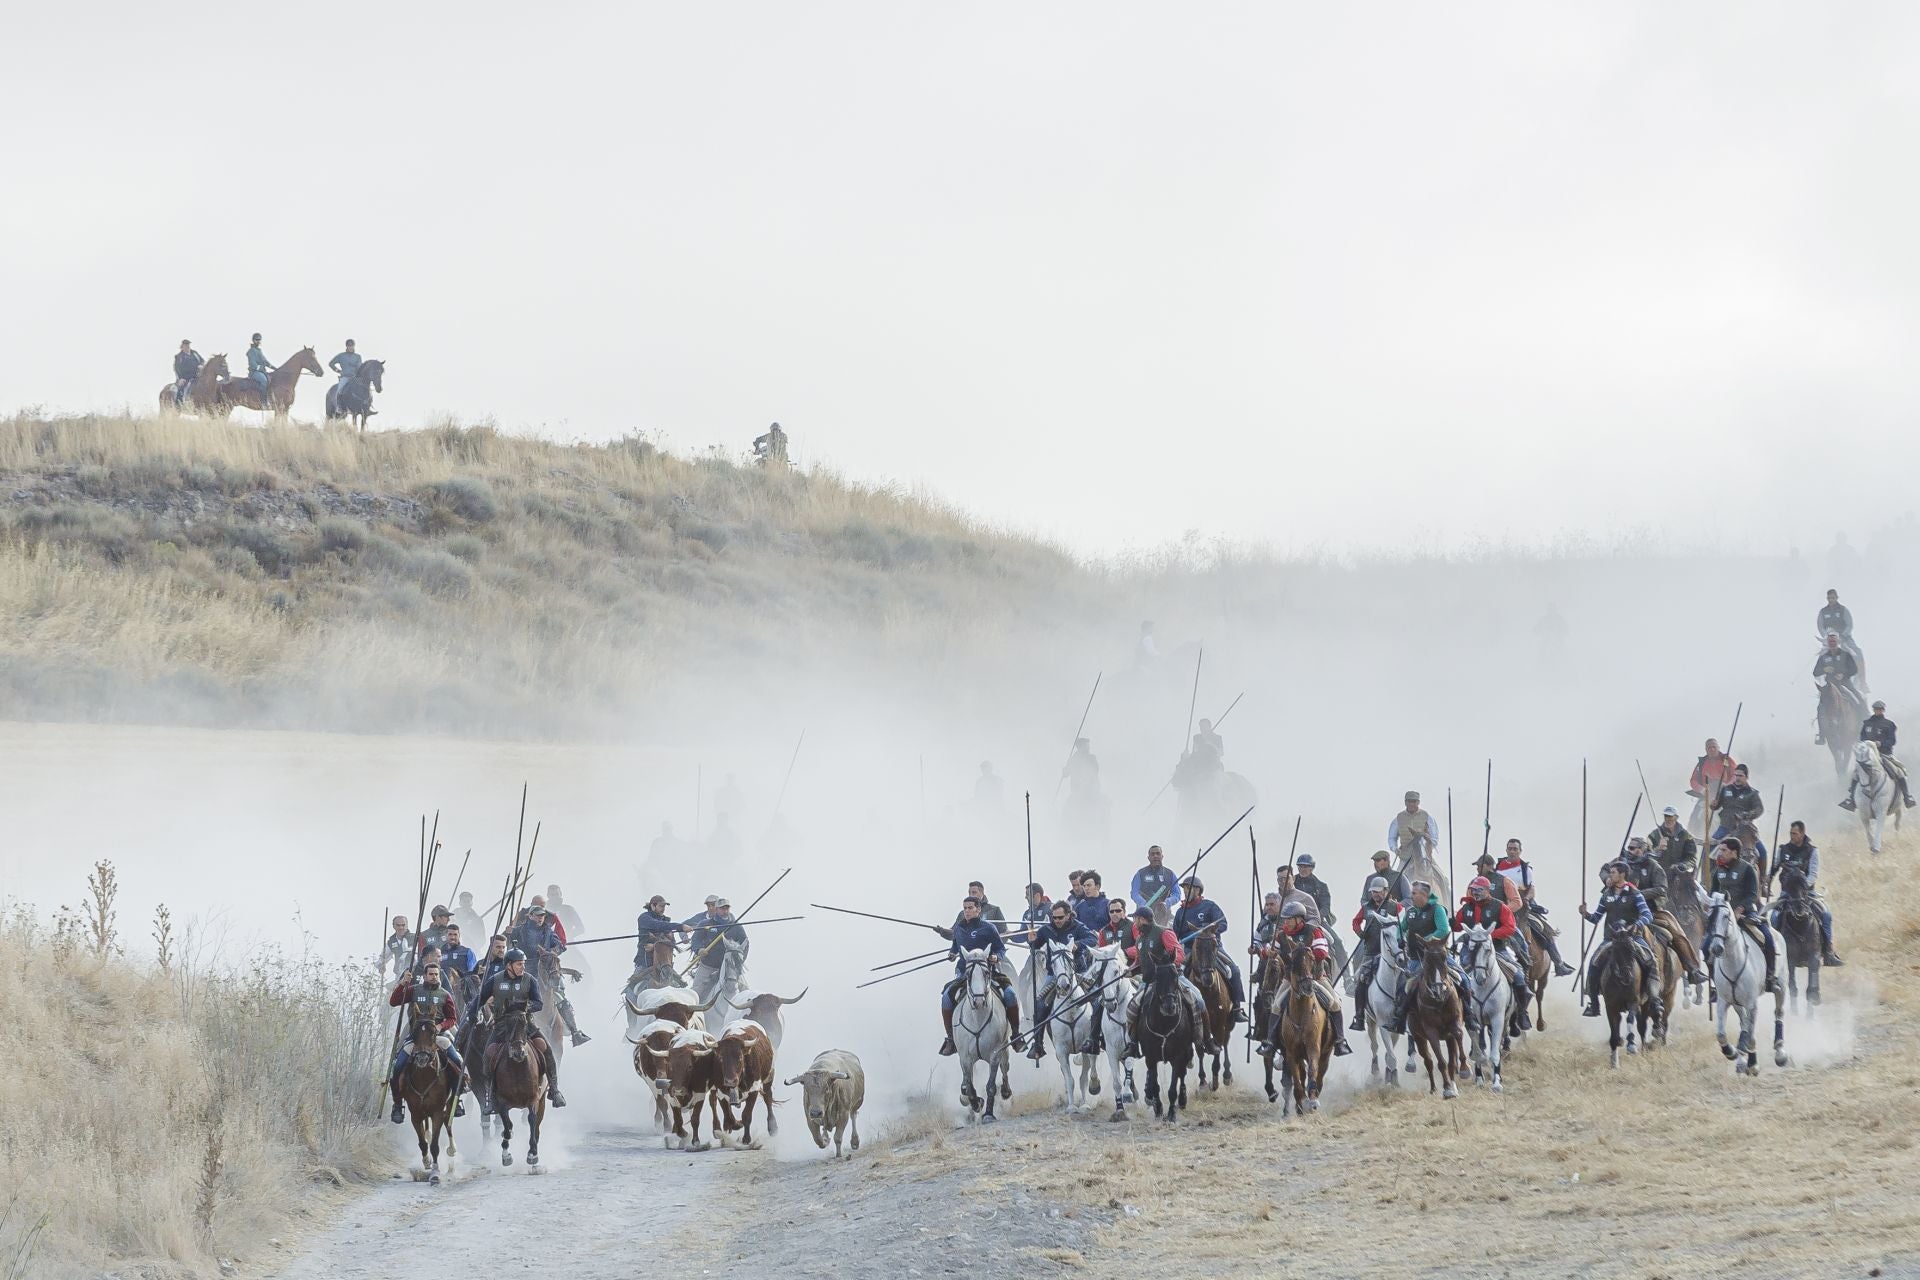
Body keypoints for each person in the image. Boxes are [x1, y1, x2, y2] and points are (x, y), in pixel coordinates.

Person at [466, 949, 566, 1107]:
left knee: (546, 1049)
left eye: (524, 964)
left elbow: (538, 1003)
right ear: (509, 965)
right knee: (487, 1055)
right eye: (519, 964)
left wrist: (524, 1007)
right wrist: (472, 1015)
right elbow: (479, 999)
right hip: (501, 1026)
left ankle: (554, 1090)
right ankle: (490, 1096)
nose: (523, 967)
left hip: (524, 1024)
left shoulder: (529, 980)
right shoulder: (495, 980)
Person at [1250, 902, 1353, 1057]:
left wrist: (1304, 953)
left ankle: (1340, 1041)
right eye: (1284, 919)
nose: (1286, 922)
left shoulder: (1314, 931)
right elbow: (1269, 952)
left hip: (1316, 977)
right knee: (1276, 1005)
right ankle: (1270, 1043)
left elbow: (1322, 952)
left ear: (1299, 919)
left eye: (1289, 919)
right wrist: (1266, 952)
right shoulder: (1281, 934)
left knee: (1334, 1003)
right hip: (1290, 978)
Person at [1121, 907, 1212, 1056]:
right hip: (1148, 982)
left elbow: (1180, 955)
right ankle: (1133, 1044)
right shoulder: (1139, 940)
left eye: (1135, 919)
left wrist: (1165, 966)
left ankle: (1206, 1040)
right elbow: (1138, 963)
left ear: (1142, 919)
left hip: (1172, 979)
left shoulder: (1165, 933)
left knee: (1198, 1001)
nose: (1134, 922)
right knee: (1131, 1008)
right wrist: (1128, 971)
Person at [937, 897, 1023, 1056]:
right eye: (965, 908)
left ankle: (1016, 1035)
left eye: (970, 908)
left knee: (1010, 994)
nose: (967, 911)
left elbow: (1000, 949)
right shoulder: (959, 929)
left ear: (978, 910)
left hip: (988, 972)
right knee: (946, 998)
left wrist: (996, 957)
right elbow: (955, 947)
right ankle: (951, 1039)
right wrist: (952, 954)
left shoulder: (989, 928)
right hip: (964, 973)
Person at [1579, 862, 1664, 1022]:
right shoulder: (1607, 894)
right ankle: (1594, 1003)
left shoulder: (1635, 893)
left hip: (1633, 938)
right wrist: (1585, 914)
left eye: (1613, 872)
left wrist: (1636, 925)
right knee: (1593, 963)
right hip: (1611, 939)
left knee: (1651, 961)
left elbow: (1647, 915)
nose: (1610, 876)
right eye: (1610, 872)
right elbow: (1596, 918)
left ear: (1623, 874)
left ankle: (1654, 999)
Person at [387, 958, 468, 1122]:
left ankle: (456, 1098)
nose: (434, 977)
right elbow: (394, 1001)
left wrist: (441, 1026)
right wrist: (403, 984)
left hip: (438, 1036)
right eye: (430, 974)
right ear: (424, 976)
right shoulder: (413, 990)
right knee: (398, 1066)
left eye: (436, 974)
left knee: (458, 1061)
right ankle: (397, 1105)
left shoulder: (445, 995)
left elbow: (452, 1018)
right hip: (416, 1036)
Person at [1618, 838, 1708, 985]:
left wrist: (1639, 894)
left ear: (1643, 850)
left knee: (1677, 933)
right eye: (1630, 848)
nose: (1632, 851)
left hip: (1651, 911)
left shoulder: (1653, 866)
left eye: (1635, 848)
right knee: (1607, 943)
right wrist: (1608, 878)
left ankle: (1692, 969)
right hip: (1625, 912)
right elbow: (1606, 871)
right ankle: (1593, 987)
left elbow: (1661, 888)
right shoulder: (1623, 865)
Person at [1451, 877, 1533, 1031]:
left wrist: (1489, 935)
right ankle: (1462, 1013)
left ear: (1488, 890)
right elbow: (1457, 927)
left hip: (1496, 949)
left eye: (1479, 890)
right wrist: (1452, 923)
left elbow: (1510, 927)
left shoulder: (1499, 907)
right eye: (1474, 890)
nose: (1476, 893)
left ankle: (1521, 1013)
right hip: (1470, 951)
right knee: (1456, 978)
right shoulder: (1467, 907)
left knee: (1519, 976)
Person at [1024, 900, 1099, 1058]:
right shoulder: (1047, 929)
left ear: (1069, 915)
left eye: (1060, 917)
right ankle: (1037, 1044)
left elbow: (1093, 939)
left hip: (1079, 972)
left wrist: (1077, 945)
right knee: (1040, 1005)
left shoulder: (1078, 927)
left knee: (1097, 1000)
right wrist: (1031, 940)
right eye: (1054, 917)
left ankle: (1097, 1038)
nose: (1056, 920)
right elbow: (1036, 945)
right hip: (1054, 975)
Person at [1492, 838, 1577, 977]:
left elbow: (1531, 888)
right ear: (1506, 850)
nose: (1512, 851)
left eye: (1515, 849)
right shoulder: (1499, 868)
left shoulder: (1525, 869)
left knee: (1544, 929)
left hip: (1523, 907)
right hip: (1503, 906)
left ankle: (1558, 963)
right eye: (1510, 848)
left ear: (1520, 851)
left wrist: (1526, 899)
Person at [510, 902, 589, 1046]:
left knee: (560, 997)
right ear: (531, 916)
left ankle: (575, 1032)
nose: (540, 918)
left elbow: (560, 946)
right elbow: (509, 946)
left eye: (542, 916)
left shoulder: (548, 932)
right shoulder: (519, 931)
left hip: (546, 971)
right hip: (523, 970)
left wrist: (552, 953)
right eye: (538, 916)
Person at [1708, 837, 1779, 994]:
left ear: (1734, 852)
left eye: (1724, 850)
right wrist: (1710, 904)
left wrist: (1739, 909)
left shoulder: (1747, 869)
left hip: (1745, 913)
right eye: (1720, 850)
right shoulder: (1717, 870)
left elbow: (1752, 894)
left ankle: (1770, 977)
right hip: (1723, 916)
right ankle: (1716, 984)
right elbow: (1712, 892)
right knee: (1707, 945)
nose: (1720, 853)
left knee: (1767, 937)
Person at [1384, 882, 1456, 1035]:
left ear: (1424, 895)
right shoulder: (1410, 912)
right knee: (1402, 985)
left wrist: (1425, 940)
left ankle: (1469, 1015)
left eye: (1414, 893)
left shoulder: (1437, 910)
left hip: (1437, 957)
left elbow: (1443, 930)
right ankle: (1399, 1019)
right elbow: (1402, 928)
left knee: (1462, 979)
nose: (1411, 896)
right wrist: (1399, 938)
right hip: (1415, 959)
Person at [1171, 877, 1246, 1024]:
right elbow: (1176, 934)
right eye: (1184, 888)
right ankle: (1176, 1008)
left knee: (1234, 970)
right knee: (1176, 974)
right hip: (1191, 947)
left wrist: (1210, 927)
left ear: (1198, 890)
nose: (1185, 891)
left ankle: (1237, 1008)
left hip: (1212, 946)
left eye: (1188, 888)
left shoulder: (1210, 906)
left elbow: (1223, 923)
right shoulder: (1181, 912)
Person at [1771, 822, 1842, 965]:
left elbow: (1813, 875)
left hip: (1807, 893)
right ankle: (1774, 951)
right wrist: (1768, 878)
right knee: (1774, 917)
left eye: (1795, 834)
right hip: (1787, 893)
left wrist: (1802, 887)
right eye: (1791, 833)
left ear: (1802, 834)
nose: (1792, 836)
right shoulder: (1783, 850)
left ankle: (1828, 951)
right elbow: (1775, 866)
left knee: (1826, 915)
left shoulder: (1812, 851)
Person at [1347, 878, 1404, 1031]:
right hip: (1371, 951)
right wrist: (1360, 933)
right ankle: (1359, 1017)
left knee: (1406, 978)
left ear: (1386, 891)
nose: (1375, 895)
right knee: (1360, 980)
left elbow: (1403, 921)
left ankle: (1404, 1013)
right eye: (1373, 892)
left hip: (1391, 952)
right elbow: (1355, 921)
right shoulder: (1366, 907)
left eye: (1378, 892)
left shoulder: (1395, 907)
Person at [1846, 700, 1916, 810]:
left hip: (1885, 754)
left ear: (1883, 710)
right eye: (1876, 709)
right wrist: (1865, 744)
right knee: (1856, 773)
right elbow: (1862, 737)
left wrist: (1881, 744)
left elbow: (1892, 740)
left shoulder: (1889, 724)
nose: (1878, 711)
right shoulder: (1867, 723)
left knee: (1899, 771)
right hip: (1869, 756)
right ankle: (1850, 799)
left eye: (1880, 709)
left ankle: (1907, 797)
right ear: (1873, 710)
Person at [1710, 763, 1768, 868]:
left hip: (1744, 829)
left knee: (1762, 851)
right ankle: (1706, 878)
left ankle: (1763, 881)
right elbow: (1717, 805)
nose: (1737, 778)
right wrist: (1713, 805)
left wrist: (1747, 815)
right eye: (1736, 775)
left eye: (1740, 776)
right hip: (1725, 827)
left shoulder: (1752, 793)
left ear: (1747, 777)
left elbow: (1759, 809)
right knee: (1709, 846)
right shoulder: (1726, 789)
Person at [1813, 633, 1863, 744]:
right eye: (1830, 642)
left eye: (1834, 642)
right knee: (1820, 708)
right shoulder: (1824, 657)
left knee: (1860, 701)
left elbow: (1854, 669)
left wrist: (1843, 674)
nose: (1832, 644)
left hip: (1845, 683)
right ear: (1827, 643)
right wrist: (1825, 669)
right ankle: (1821, 735)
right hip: (1830, 686)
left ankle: (1861, 729)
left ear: (1838, 642)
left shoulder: (1846, 655)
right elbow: (1815, 672)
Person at [1387, 791, 1439, 873]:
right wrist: (1395, 848)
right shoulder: (1398, 818)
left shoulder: (1427, 817)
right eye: (1409, 801)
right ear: (1405, 802)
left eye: (1414, 801)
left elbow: (1434, 838)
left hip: (1424, 857)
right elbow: (1392, 838)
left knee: (1445, 880)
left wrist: (1427, 848)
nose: (1411, 804)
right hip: (1405, 858)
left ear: (1418, 802)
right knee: (1396, 882)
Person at [631, 895, 686, 971]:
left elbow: (672, 943)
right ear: (653, 906)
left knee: (679, 982)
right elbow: (658, 925)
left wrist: (654, 946)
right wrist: (681, 927)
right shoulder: (644, 918)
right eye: (661, 906)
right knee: (635, 982)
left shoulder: (665, 921)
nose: (663, 909)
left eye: (664, 906)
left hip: (664, 964)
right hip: (645, 962)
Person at [1130, 846, 1182, 922]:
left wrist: (1167, 902)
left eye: (1158, 853)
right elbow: (1134, 893)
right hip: (1144, 915)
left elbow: (1177, 894)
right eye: (1152, 854)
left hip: (1163, 915)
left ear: (1162, 856)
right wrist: (1143, 903)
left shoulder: (1170, 874)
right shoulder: (1140, 873)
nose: (1155, 856)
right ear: (1148, 857)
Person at [1817, 589, 1863, 676]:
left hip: (1844, 638)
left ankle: (1862, 682)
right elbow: (1820, 626)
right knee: (1822, 656)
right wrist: (1826, 636)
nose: (1831, 600)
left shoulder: (1843, 610)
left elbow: (1849, 625)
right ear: (1827, 598)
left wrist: (1842, 636)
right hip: (1829, 639)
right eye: (1829, 598)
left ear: (1837, 598)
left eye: (1833, 598)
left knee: (1858, 652)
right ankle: (1822, 681)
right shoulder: (1823, 612)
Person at [1646, 806, 1698, 874]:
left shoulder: (1686, 836)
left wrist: (1682, 866)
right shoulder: (1654, 835)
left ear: (1676, 817)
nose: (1668, 819)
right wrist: (1658, 848)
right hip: (1657, 872)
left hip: (1678, 875)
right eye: (1666, 816)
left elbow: (1691, 858)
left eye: (1670, 816)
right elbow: (1646, 855)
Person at [379, 915, 415, 981]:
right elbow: (383, 957)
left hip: (414, 974)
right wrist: (381, 965)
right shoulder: (391, 941)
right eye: (398, 925)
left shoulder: (415, 938)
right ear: (394, 926)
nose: (401, 927)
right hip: (399, 975)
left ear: (407, 925)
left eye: (403, 925)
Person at [172, 339, 204, 406]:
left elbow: (202, 360)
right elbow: (177, 368)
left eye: (188, 345)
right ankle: (178, 406)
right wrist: (180, 379)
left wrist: (201, 365)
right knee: (182, 388)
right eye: (185, 345)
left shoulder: (194, 353)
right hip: (185, 377)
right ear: (182, 346)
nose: (187, 347)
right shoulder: (179, 356)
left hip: (197, 375)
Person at [244, 333, 275, 399]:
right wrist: (261, 367)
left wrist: (273, 367)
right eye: (256, 340)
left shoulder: (259, 351)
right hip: (254, 372)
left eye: (259, 340)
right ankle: (263, 402)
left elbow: (265, 361)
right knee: (264, 381)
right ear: (253, 340)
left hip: (261, 372)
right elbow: (253, 364)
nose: (258, 341)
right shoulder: (251, 351)